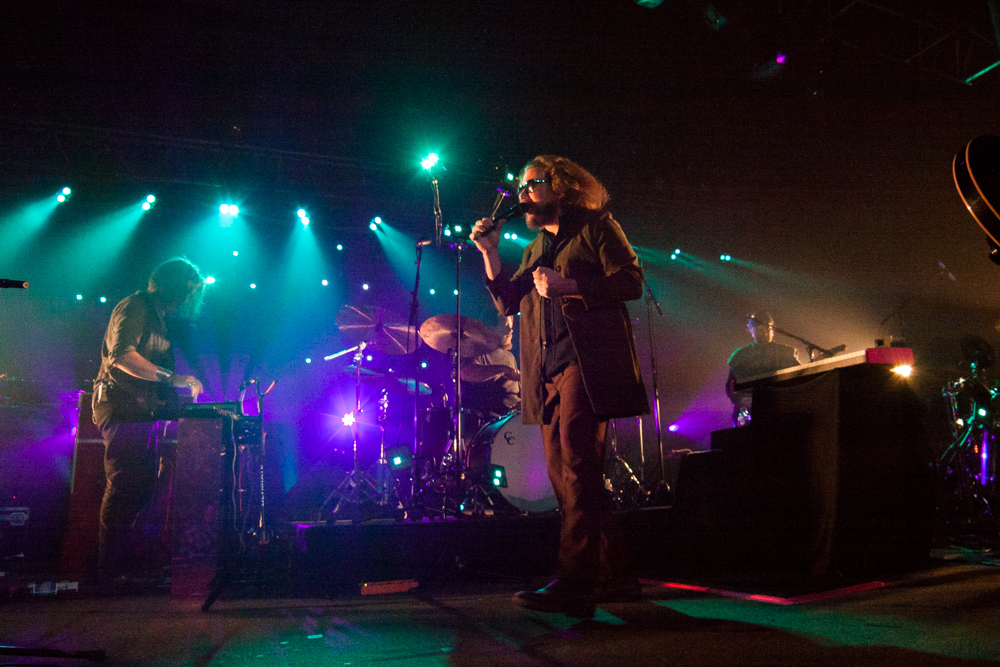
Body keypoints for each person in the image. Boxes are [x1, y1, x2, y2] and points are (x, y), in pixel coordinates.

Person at [470, 155, 649, 617]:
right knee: (568, 474)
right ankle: (619, 577)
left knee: (575, 466)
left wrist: (569, 284)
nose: (523, 193)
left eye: (533, 184)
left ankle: (576, 582)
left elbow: (632, 280)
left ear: (562, 186)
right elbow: (509, 302)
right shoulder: (533, 249)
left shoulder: (596, 226)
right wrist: (490, 252)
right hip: (546, 370)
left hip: (586, 366)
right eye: (521, 186)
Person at [92, 257, 205, 583]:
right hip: (121, 407)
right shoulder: (134, 306)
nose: (189, 300)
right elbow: (123, 356)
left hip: (141, 410)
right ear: (177, 287)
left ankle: (126, 566)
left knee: (142, 489)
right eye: (189, 291)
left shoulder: (159, 318)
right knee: (126, 484)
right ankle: (107, 574)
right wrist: (174, 379)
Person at [726, 313, 800, 426]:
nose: (764, 332)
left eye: (767, 328)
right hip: (750, 414)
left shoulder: (785, 353)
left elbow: (801, 379)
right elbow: (730, 386)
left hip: (781, 411)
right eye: (759, 329)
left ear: (772, 330)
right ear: (751, 329)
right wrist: (742, 400)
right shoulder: (740, 356)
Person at [459, 313, 520, 419]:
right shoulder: (476, 351)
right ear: (490, 328)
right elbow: (466, 374)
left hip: (513, 416)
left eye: (511, 327)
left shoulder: (509, 356)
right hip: (490, 417)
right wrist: (502, 369)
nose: (510, 331)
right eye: (505, 326)